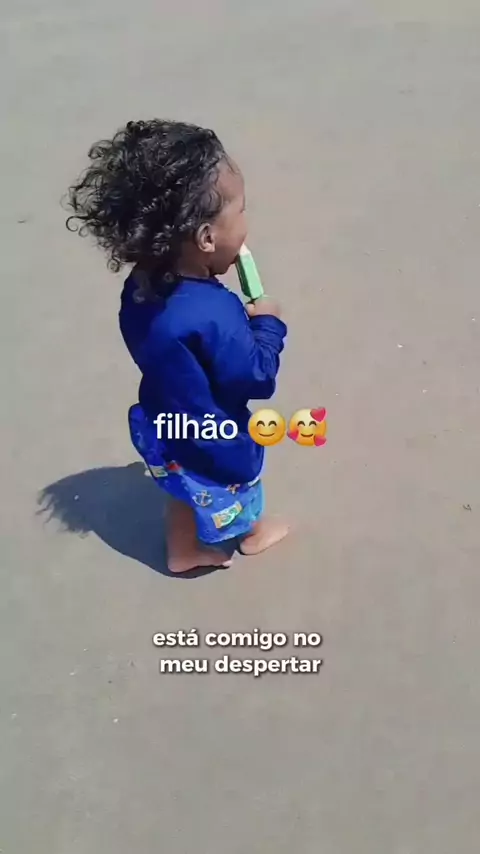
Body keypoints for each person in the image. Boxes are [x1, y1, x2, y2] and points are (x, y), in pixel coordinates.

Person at [67, 119, 288, 572]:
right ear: (207, 238)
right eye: (242, 211)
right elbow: (256, 377)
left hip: (162, 424)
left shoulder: (139, 287)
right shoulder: (215, 312)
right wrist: (267, 324)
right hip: (212, 436)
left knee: (182, 486)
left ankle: (184, 550)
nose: (246, 225)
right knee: (239, 486)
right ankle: (255, 534)